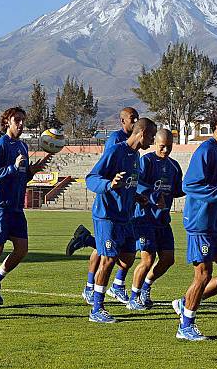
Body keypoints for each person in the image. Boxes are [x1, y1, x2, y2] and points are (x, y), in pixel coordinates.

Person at [173, 104, 217, 341]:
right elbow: (189, 186)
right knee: (202, 275)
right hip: (200, 223)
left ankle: (185, 302)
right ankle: (186, 325)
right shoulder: (205, 151)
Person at [66, 107, 139, 306]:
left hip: (124, 209)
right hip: (109, 205)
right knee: (106, 251)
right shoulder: (116, 142)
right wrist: (111, 184)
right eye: (132, 118)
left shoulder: (136, 152)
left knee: (113, 250)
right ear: (123, 121)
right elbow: (102, 172)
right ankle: (96, 290)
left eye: (137, 118)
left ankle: (98, 283)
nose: (135, 121)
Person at [86, 118, 157, 323]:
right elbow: (92, 178)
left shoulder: (135, 156)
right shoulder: (115, 151)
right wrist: (110, 184)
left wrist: (136, 197)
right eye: (151, 136)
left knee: (126, 258)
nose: (152, 142)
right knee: (107, 260)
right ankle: (97, 309)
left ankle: (89, 240)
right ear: (142, 133)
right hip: (107, 215)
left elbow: (128, 185)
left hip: (125, 217)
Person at [0, 107, 49, 309]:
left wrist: (31, 171)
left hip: (16, 207)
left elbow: (22, 176)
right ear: (7, 121)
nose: (21, 123)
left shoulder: (23, 146)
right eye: (17, 119)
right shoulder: (1, 144)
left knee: (22, 250)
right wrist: (13, 168)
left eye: (23, 120)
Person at [128, 129, 184, 310]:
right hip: (144, 219)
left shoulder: (174, 166)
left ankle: (146, 287)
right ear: (155, 144)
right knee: (147, 259)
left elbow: (177, 189)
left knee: (168, 259)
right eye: (162, 147)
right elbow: (136, 184)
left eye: (169, 147)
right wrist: (153, 195)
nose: (166, 150)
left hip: (162, 220)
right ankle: (133, 297)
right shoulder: (146, 161)